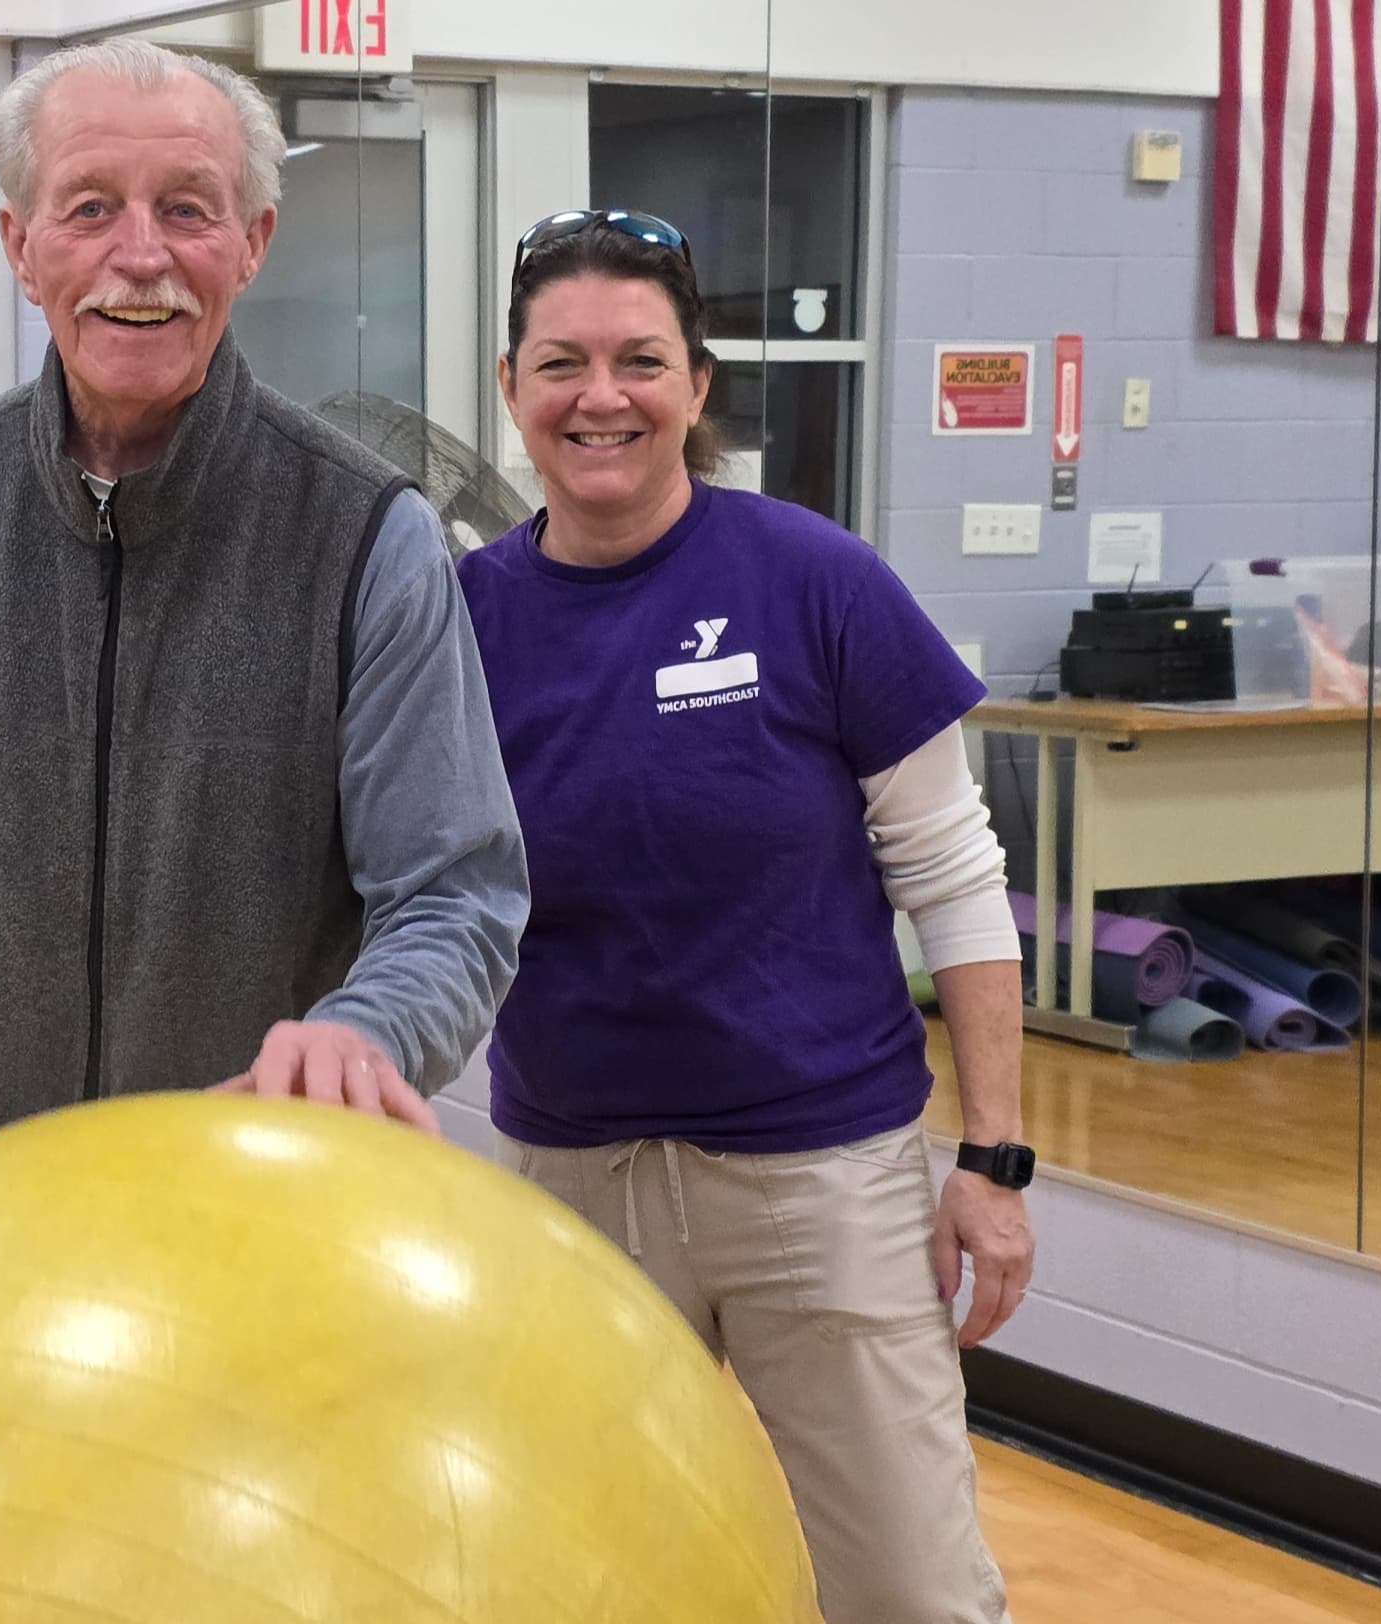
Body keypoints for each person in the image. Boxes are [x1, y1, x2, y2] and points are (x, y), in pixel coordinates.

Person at [0, 39, 528, 1269]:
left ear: (253, 242)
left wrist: (366, 1030)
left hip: (255, 1228)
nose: (143, 257)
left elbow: (454, 890)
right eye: (91, 208)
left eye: (187, 210)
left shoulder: (364, 536)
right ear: (21, 247)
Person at [456, 209, 1034, 1624]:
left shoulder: (812, 580)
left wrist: (995, 1163)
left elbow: (954, 879)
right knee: (585, 1584)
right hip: (569, 1188)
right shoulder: (456, 614)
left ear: (696, 387)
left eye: (640, 360)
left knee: (908, 1591)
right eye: (563, 362)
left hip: (818, 1187)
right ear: (508, 386)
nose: (602, 396)